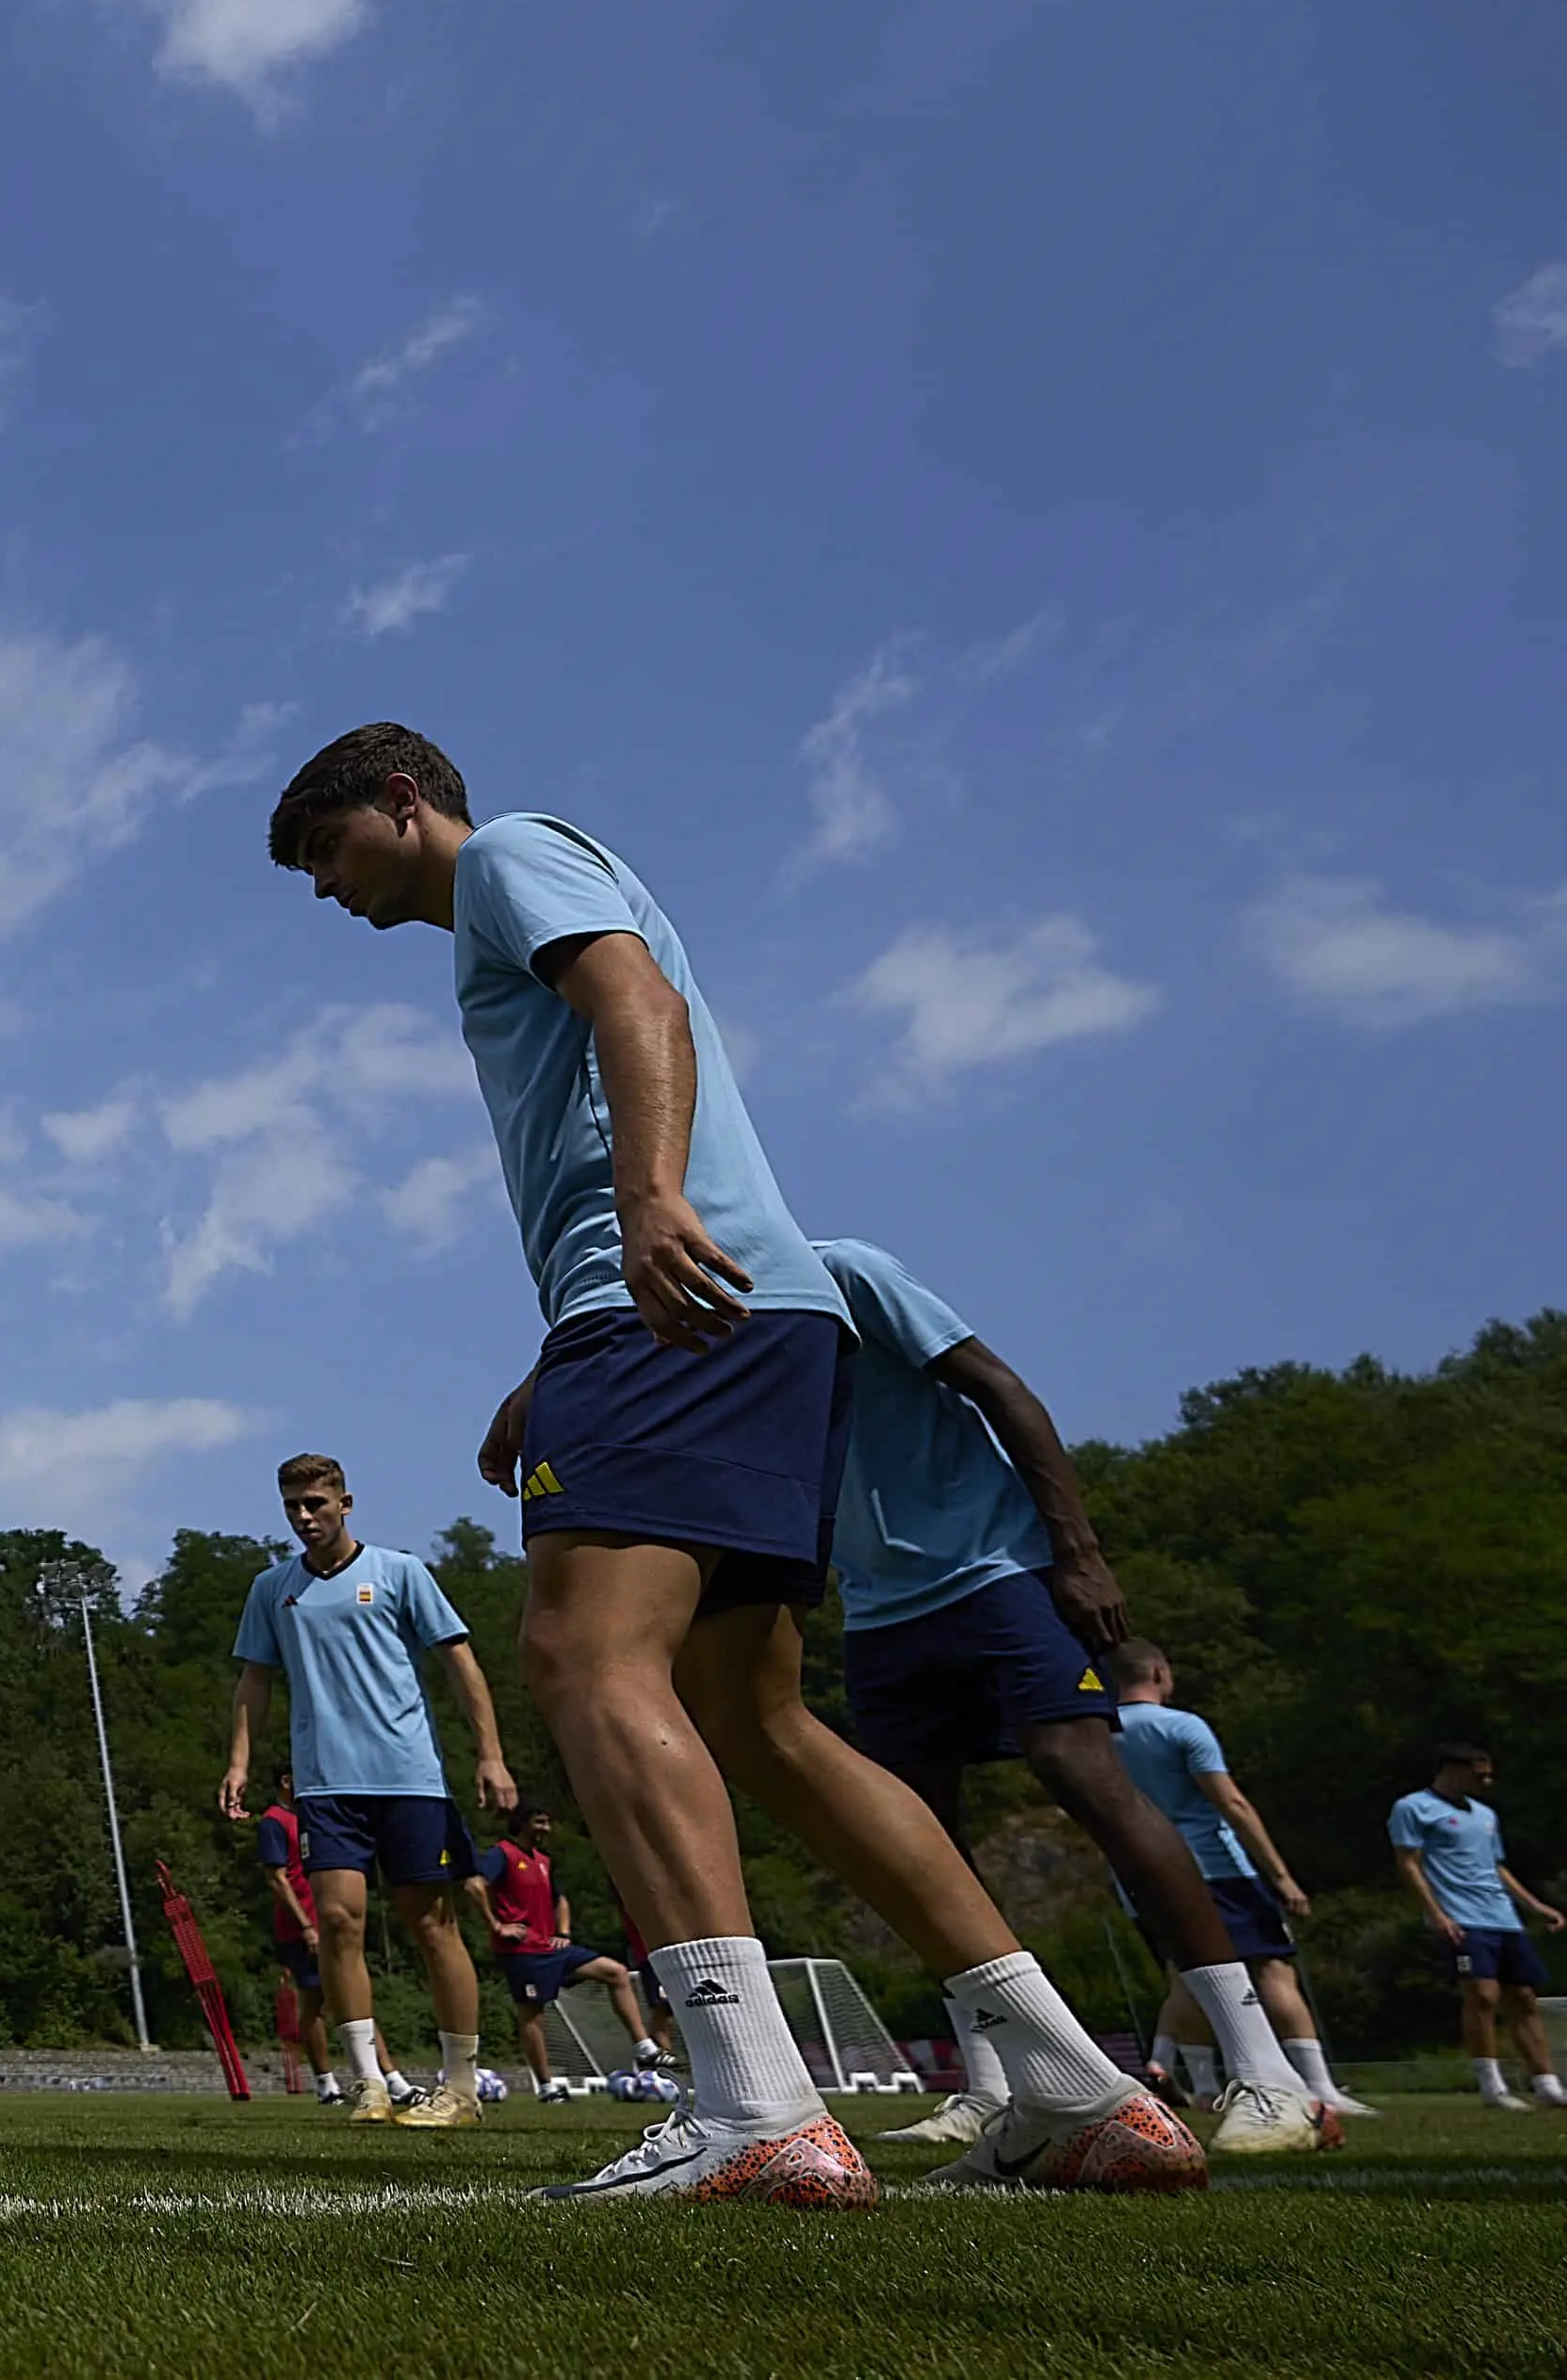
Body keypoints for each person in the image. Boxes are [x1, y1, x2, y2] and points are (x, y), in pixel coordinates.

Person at [268, 724, 1200, 2206]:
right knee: (757, 1718)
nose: (322, 887)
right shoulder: (516, 901)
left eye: (326, 848)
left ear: (402, 802)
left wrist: (644, 1208)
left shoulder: (512, 852)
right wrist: (553, 1352)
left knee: (582, 1654)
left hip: (666, 1305)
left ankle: (753, 2102)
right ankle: (1078, 2086)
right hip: (748, 1318)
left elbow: (637, 999)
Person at [808, 1239, 1326, 2159]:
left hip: (994, 1571)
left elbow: (1003, 1390)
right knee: (914, 1836)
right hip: (878, 1612)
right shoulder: (707, 1323)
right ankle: (998, 2086)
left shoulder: (841, 1270)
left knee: (1078, 1768)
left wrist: (1077, 1553)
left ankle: (1268, 2072)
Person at [216, 1452, 516, 2128]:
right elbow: (253, 1683)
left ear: (346, 1503)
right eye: (292, 1504)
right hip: (326, 1784)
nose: (304, 1517)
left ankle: (461, 2087)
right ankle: (368, 2082)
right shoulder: (274, 1589)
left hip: (409, 1777)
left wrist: (490, 1754)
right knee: (339, 1922)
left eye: (316, 1503)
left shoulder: (400, 1572)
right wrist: (239, 1762)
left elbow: (460, 1663)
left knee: (431, 1923)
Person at [1104, 1640, 1369, 2119]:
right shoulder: (1182, 1727)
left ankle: (1206, 2088)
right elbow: (1232, 1803)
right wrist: (1282, 1876)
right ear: (1160, 1672)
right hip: (1214, 1867)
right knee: (1272, 1970)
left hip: (1140, 1872)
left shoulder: (1100, 1734)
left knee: (1187, 1978)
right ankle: (1320, 2086)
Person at [1389, 1744, 1567, 2111]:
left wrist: (1534, 1906)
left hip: (1502, 1917)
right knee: (1482, 1996)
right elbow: (1408, 1863)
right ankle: (1493, 2087)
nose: (1487, 1781)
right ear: (1453, 1770)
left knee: (1524, 1998)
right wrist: (1436, 1913)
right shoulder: (1413, 1808)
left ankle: (1546, 2084)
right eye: (1479, 1773)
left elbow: (1496, 1866)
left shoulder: (1485, 1815)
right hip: (1461, 1917)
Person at [467, 1803, 670, 2099]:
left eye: (548, 1822)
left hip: (552, 1947)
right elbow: (474, 1885)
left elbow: (560, 1901)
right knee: (532, 2015)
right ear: (522, 1824)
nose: (546, 1829)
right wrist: (497, 1925)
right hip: (523, 1951)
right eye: (540, 1822)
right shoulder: (503, 1854)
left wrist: (563, 1932)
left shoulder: (543, 1861)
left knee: (616, 1973)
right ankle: (548, 2088)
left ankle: (644, 2048)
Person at [251, 1770, 351, 2102]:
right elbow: (277, 1878)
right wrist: (306, 1925)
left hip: (328, 1920)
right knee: (317, 1999)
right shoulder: (274, 1821)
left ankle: (381, 2077)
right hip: (301, 1928)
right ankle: (327, 2082)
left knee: (345, 1994)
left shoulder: (311, 1818)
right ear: (286, 1780)